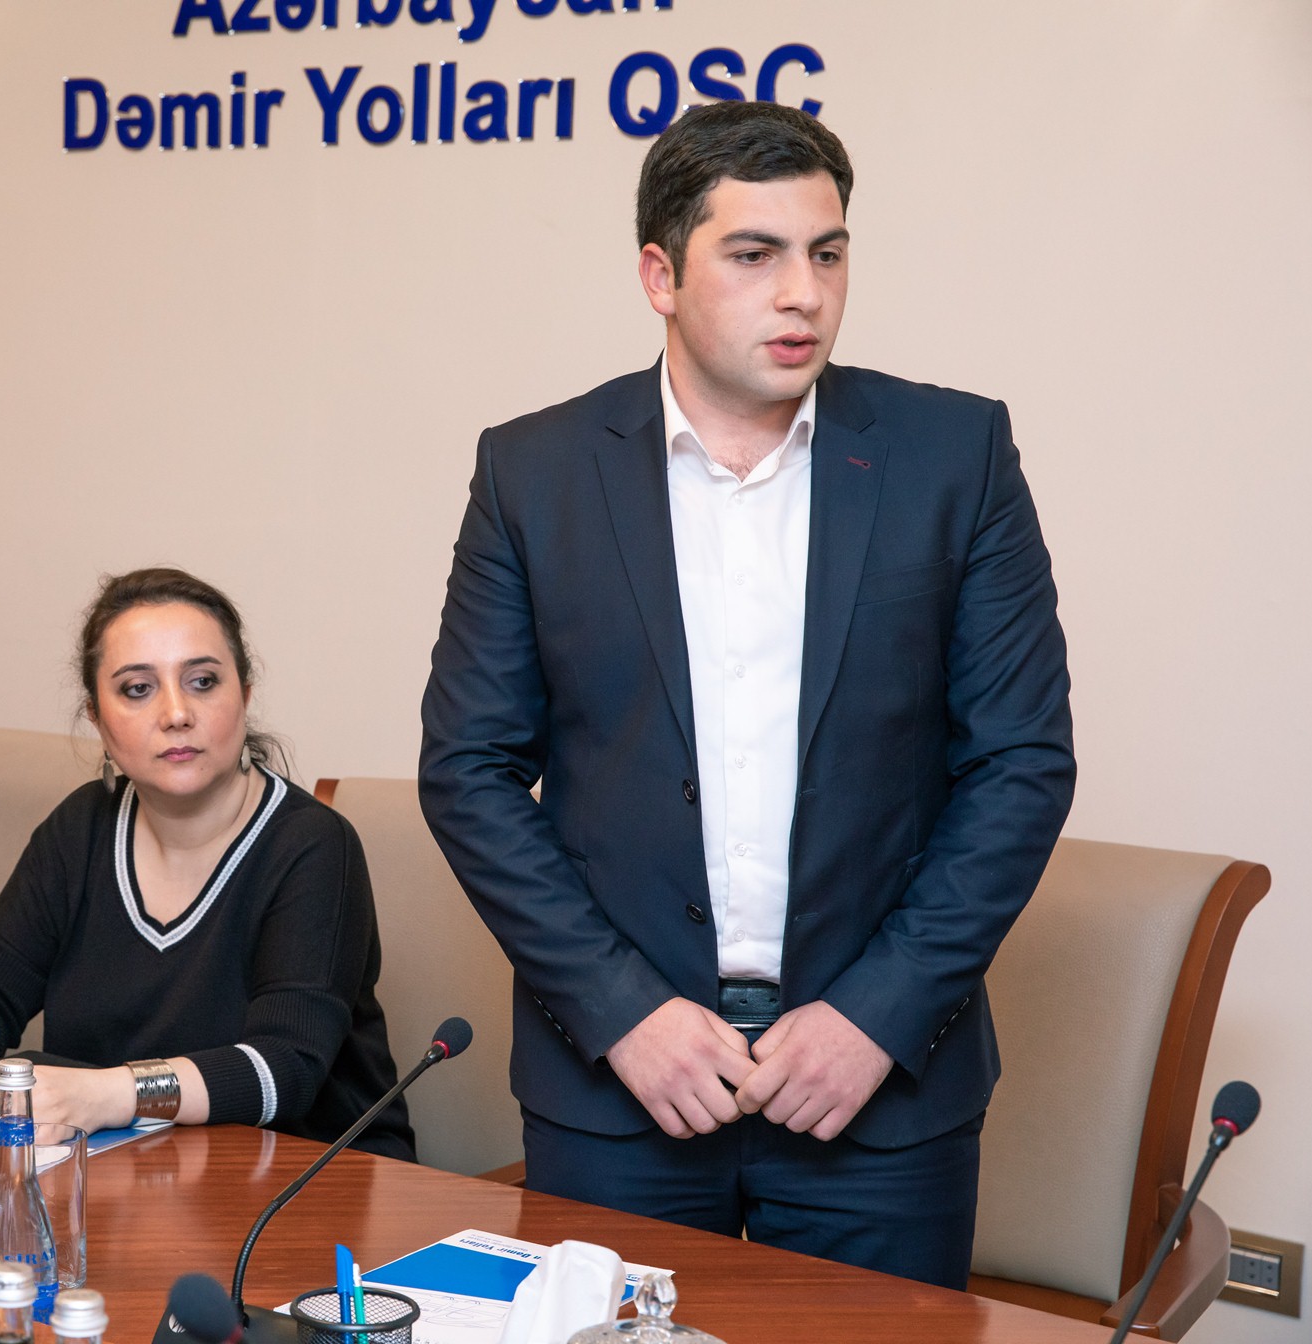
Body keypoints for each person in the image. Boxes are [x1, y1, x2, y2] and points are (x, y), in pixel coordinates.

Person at [418, 101, 1074, 1287]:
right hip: (622, 1089)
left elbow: (1019, 764)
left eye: (827, 253)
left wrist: (877, 1015)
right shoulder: (533, 473)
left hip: (878, 1099)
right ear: (660, 276)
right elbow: (469, 770)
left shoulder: (954, 455)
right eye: (755, 255)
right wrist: (621, 1012)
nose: (804, 294)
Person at [0, 568, 414, 1160]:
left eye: (203, 682)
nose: (176, 713)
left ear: (245, 696)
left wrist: (109, 1095)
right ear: (97, 718)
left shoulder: (312, 844)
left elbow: (284, 1068)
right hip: (129, 1168)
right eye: (138, 689)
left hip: (313, 1173)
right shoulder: (83, 826)